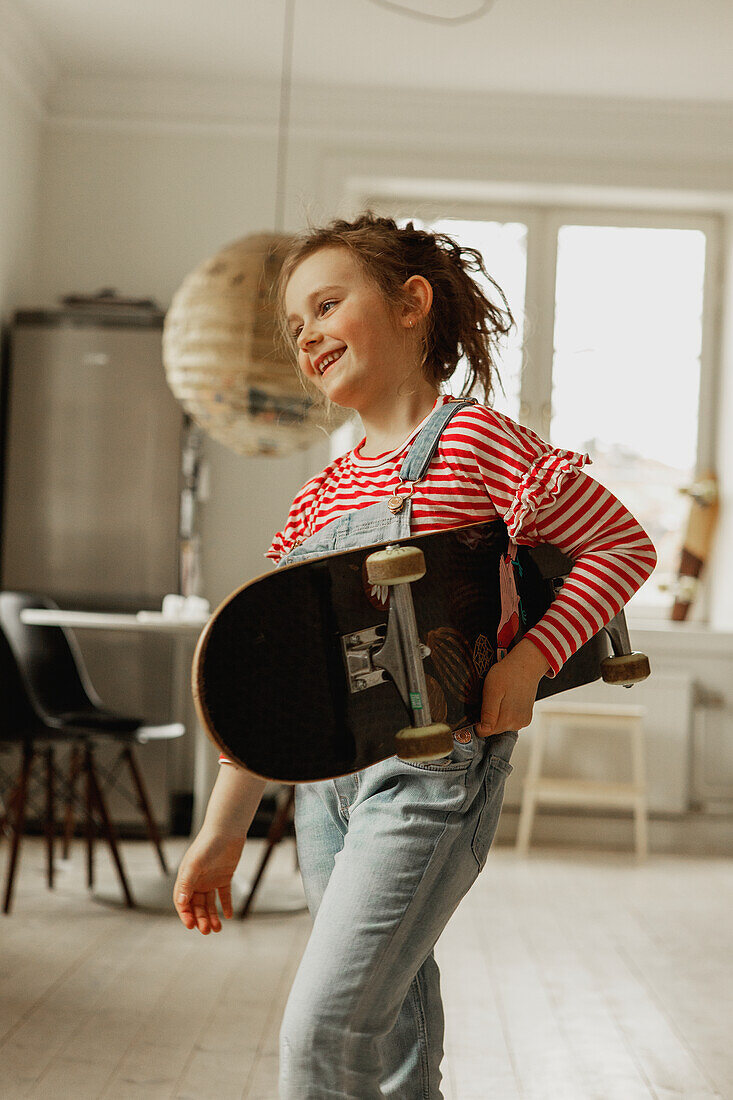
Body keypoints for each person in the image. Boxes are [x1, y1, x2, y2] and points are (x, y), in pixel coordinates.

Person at [173, 214, 657, 1098]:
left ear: (410, 305)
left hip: (431, 776)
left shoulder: (475, 441)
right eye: (294, 326)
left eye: (326, 304)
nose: (307, 334)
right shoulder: (318, 496)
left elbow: (621, 546)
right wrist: (221, 828)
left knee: (323, 1027)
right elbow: (276, 685)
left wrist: (530, 661)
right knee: (388, 1033)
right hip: (327, 790)